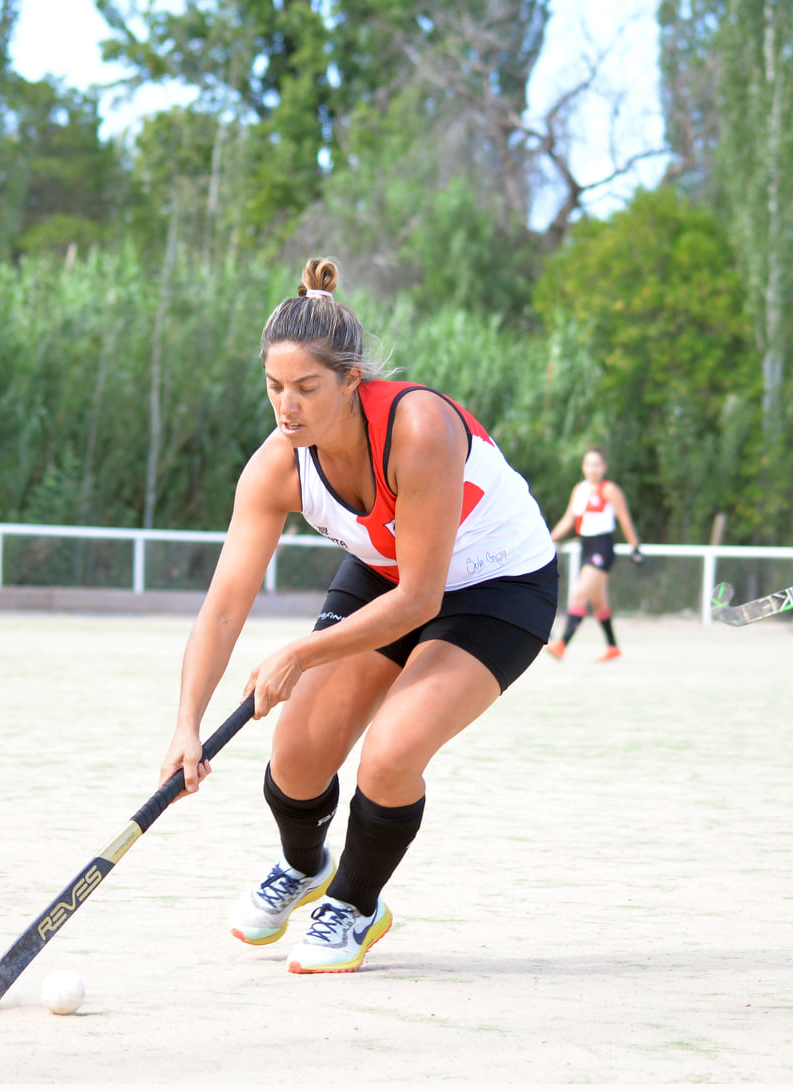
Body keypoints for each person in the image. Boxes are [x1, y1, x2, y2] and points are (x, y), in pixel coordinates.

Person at [158, 259, 558, 974]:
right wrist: (187, 724)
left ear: (352, 381)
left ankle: (354, 902)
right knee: (299, 753)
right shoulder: (279, 465)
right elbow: (223, 608)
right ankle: (302, 865)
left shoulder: (419, 428)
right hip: (388, 570)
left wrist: (299, 654)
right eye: (276, 387)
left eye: (307, 388)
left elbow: (421, 600)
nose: (288, 407)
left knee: (392, 752)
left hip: (498, 586)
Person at [545, 446, 642, 662]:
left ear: (604, 467)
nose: (592, 469)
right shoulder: (579, 489)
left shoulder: (609, 490)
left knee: (580, 595)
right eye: (588, 464)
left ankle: (562, 645)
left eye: (597, 464)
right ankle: (613, 647)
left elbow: (625, 519)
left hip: (602, 548)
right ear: (583, 467)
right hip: (587, 547)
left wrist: (635, 547)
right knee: (598, 602)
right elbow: (569, 519)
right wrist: (548, 539)